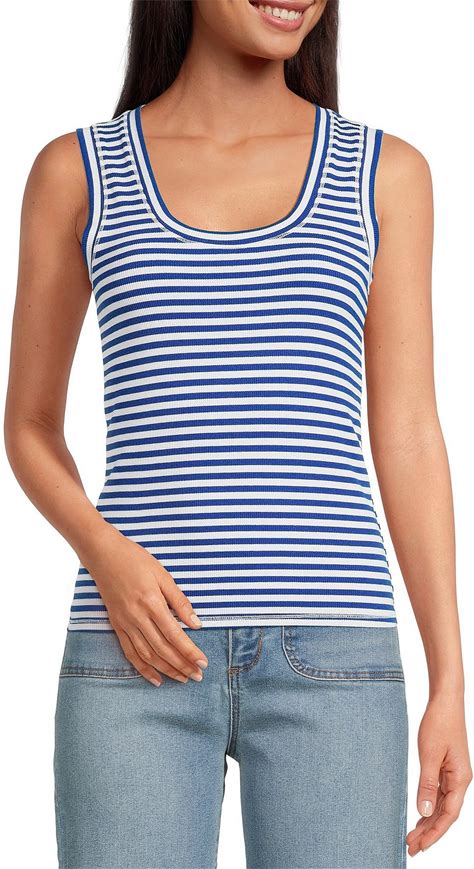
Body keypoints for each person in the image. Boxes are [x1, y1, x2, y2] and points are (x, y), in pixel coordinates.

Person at [4, 1, 472, 867]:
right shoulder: (80, 171)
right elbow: (29, 423)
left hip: (335, 657)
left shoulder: (384, 174)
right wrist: (106, 554)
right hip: (132, 653)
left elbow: (408, 432)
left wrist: (451, 679)